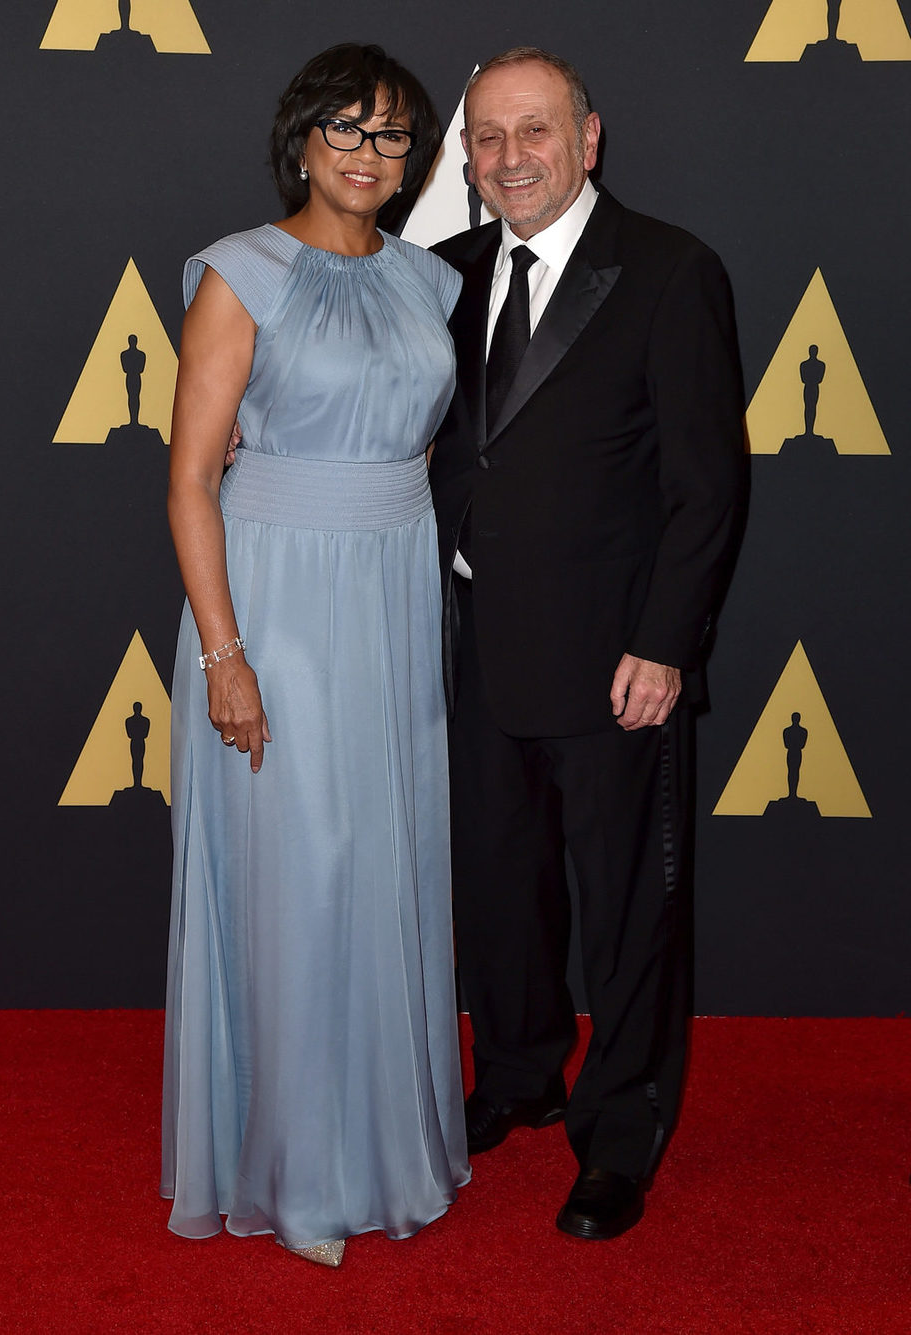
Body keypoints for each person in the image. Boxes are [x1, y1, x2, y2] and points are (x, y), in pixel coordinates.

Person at [428, 48, 745, 1241]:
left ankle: (621, 1134)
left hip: (617, 664)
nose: (510, 157)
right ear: (468, 155)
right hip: (470, 651)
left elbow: (708, 486)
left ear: (590, 138)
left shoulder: (669, 271)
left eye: (535, 132)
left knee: (623, 911)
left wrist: (665, 643)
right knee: (500, 892)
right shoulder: (442, 276)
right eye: (488, 137)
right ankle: (516, 1076)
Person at [161, 43, 469, 1269]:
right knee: (301, 873)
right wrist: (225, 654)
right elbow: (189, 480)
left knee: (384, 868)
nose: (366, 154)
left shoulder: (431, 283)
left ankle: (381, 1139)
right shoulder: (241, 275)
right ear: (301, 140)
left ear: (414, 161)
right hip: (274, 602)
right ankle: (295, 1163)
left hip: (388, 596)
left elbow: (419, 444)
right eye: (344, 129)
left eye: (393, 136)